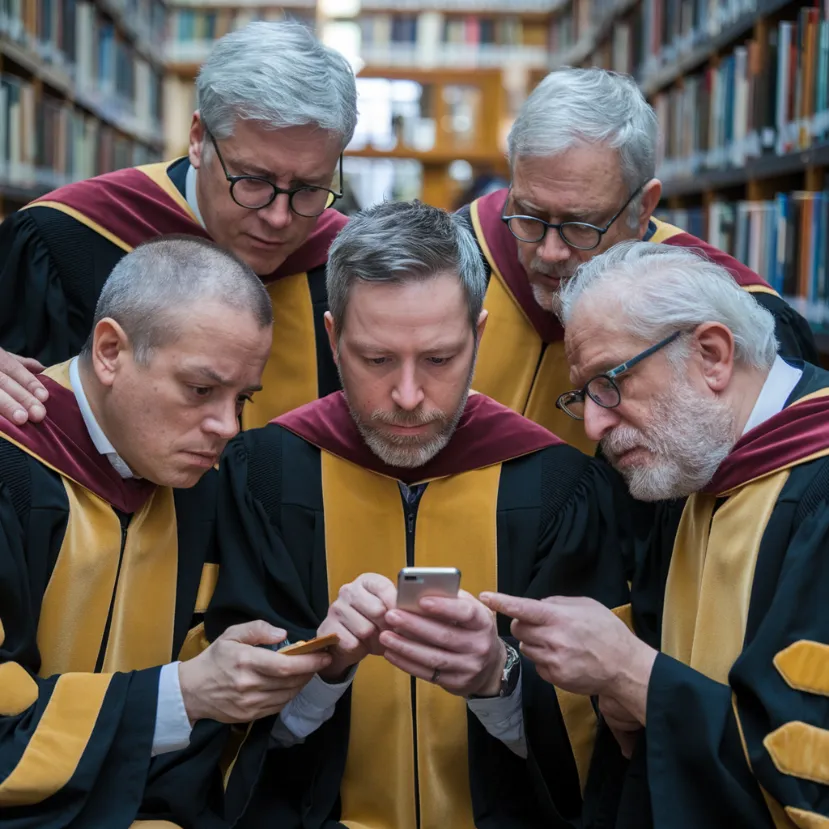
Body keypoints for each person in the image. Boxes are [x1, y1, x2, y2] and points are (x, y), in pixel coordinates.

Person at [204, 201, 635, 829]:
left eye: (438, 359)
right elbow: (224, 747)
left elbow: (597, 756)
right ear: (332, 338)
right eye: (376, 360)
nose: (408, 398)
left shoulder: (556, 485)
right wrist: (322, 670)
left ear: (479, 336)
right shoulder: (263, 477)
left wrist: (500, 677)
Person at [483, 241, 829, 828]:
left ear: (713, 355)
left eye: (610, 382)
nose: (594, 423)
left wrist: (633, 674)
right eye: (584, 395)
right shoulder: (697, 461)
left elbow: (809, 776)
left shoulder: (816, 495)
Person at [0, 236, 334, 828]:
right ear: (110, 351)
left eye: (242, 399)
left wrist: (308, 667)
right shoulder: (13, 476)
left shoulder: (203, 491)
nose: (228, 427)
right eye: (201, 390)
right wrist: (182, 695)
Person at [0, 21, 357, 430]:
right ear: (198, 138)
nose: (279, 217)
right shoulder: (64, 239)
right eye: (253, 180)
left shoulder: (345, 265)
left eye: (310, 188)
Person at [456, 67, 817, 454]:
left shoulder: (734, 311)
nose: (549, 252)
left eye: (582, 225)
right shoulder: (453, 257)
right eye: (529, 213)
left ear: (643, 207)